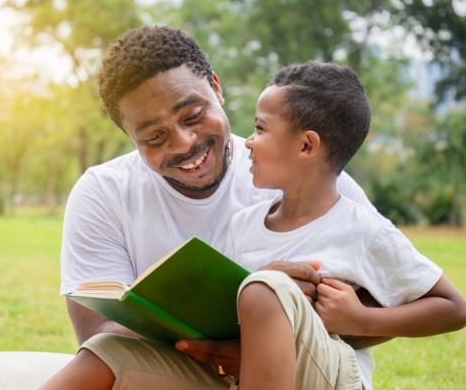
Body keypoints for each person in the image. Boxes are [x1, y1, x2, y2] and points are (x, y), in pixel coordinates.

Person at [41, 26, 388, 390]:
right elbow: (98, 332)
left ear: (216, 88)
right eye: (154, 137)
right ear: (130, 138)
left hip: (306, 370)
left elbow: (391, 304)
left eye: (192, 116)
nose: (185, 143)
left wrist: (274, 327)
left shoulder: (308, 174)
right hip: (191, 372)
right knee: (101, 353)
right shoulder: (103, 192)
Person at [216, 61, 466, 389]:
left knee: (266, 291)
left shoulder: (363, 229)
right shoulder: (243, 224)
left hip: (332, 373)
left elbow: (453, 308)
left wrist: (361, 319)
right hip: (246, 372)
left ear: (306, 145)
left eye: (260, 129)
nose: (248, 141)